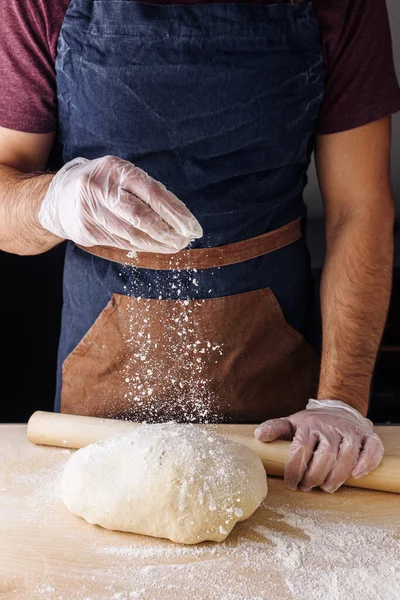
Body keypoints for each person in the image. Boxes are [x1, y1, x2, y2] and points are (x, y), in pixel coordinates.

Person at [0, 0, 399, 493]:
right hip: (103, 359)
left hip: (274, 372)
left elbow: (358, 210)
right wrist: (54, 199)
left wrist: (342, 401)